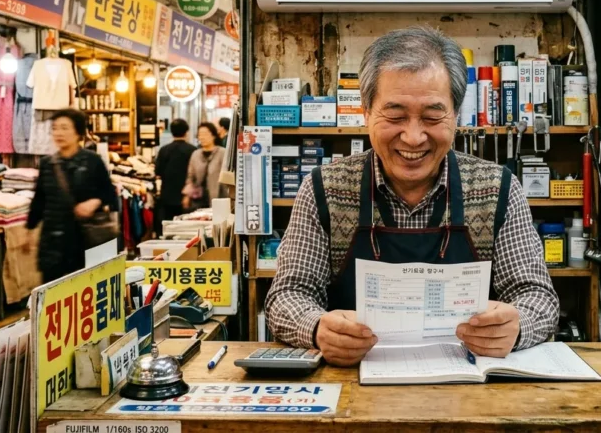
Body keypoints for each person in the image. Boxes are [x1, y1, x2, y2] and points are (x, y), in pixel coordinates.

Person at [265, 27, 559, 366]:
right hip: (352, 387)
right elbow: (288, 295)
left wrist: (517, 325)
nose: (414, 136)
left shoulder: (498, 187)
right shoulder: (323, 188)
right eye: (395, 116)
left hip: (470, 387)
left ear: (456, 115)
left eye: (433, 117)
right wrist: (316, 328)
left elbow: (538, 296)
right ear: (366, 112)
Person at [28, 109, 118, 283]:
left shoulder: (93, 161)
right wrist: (29, 230)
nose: (58, 133)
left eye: (64, 128)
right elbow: (39, 200)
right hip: (53, 242)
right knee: (53, 294)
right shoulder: (47, 164)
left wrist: (94, 202)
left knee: (86, 291)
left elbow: (110, 195)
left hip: (86, 240)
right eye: (55, 128)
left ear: (78, 132)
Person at [154, 118, 196, 233]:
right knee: (186, 230)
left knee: (168, 229)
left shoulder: (164, 150)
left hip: (167, 195)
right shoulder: (192, 150)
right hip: (187, 197)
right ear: (187, 132)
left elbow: (157, 171)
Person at [182, 122, 227, 211]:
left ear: (213, 135)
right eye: (200, 134)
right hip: (198, 199)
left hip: (219, 198)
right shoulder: (195, 154)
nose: (202, 137)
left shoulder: (223, 153)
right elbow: (190, 177)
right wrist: (187, 195)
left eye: (205, 134)